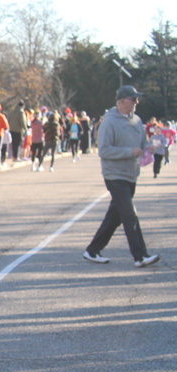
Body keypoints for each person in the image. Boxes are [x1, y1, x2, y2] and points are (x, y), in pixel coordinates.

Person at [83, 86, 159, 268]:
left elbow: (142, 142)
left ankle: (92, 250)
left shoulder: (136, 120)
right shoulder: (109, 122)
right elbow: (104, 150)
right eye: (133, 99)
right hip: (114, 175)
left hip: (131, 174)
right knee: (129, 214)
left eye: (137, 99)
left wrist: (147, 147)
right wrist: (129, 152)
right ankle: (140, 256)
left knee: (115, 216)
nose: (136, 102)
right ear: (122, 101)